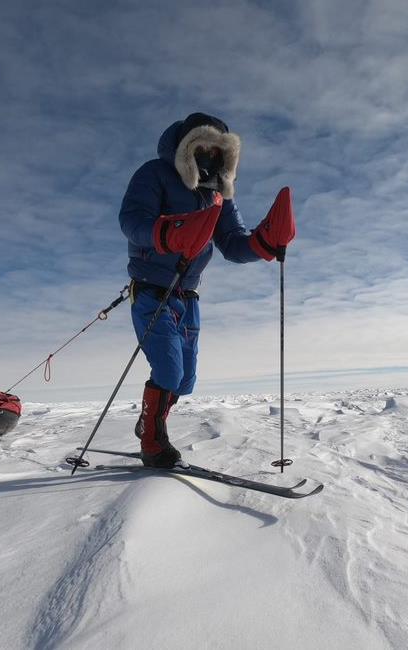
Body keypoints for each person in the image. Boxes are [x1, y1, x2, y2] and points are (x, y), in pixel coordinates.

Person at [118, 112, 295, 467]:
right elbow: (132, 220)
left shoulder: (218, 196)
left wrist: (263, 244)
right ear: (187, 147)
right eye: (204, 147)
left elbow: (232, 242)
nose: (211, 156)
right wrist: (169, 233)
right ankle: (153, 443)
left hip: (188, 296)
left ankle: (150, 419)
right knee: (168, 370)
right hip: (153, 291)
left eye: (220, 151)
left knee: (185, 381)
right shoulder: (154, 174)